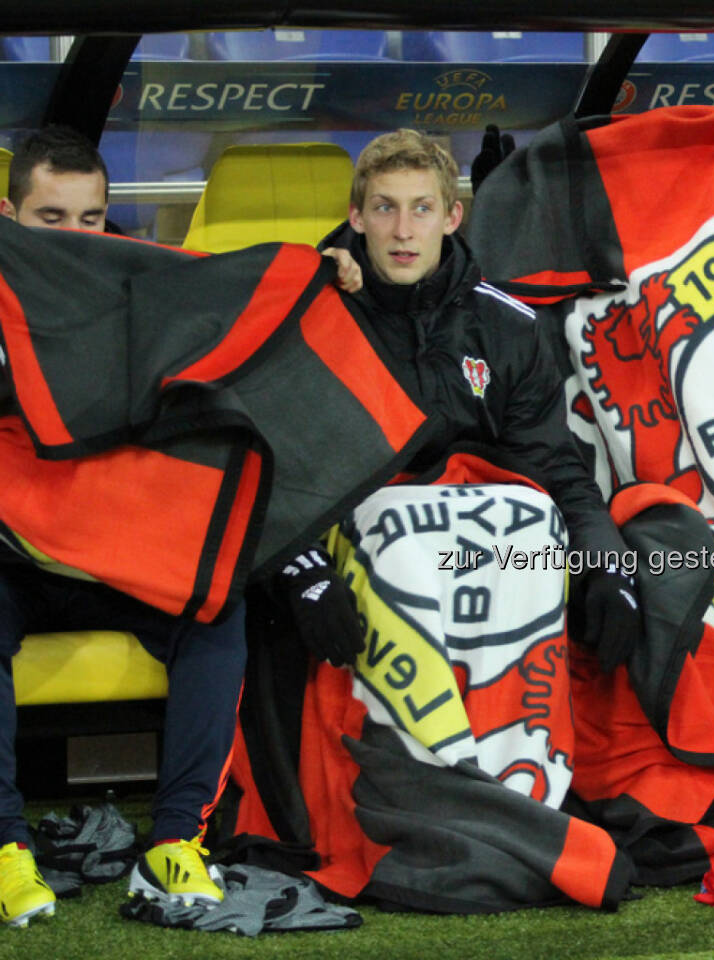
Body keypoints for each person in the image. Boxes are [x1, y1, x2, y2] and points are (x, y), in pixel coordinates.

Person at [277, 128, 639, 673]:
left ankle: (521, 744)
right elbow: (277, 472)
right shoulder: (313, 317)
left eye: (422, 209)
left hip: (483, 550)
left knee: (538, 523)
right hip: (368, 549)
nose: (403, 231)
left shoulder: (509, 327)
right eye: (384, 208)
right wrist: (302, 572)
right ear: (356, 217)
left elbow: (556, 468)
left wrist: (607, 565)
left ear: (452, 218)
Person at [0, 126, 245, 926]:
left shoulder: (149, 299)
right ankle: (6, 849)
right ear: (7, 216)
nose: (75, 242)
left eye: (91, 221)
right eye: (51, 220)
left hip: (112, 558)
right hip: (14, 561)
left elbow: (252, 314)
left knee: (219, 605)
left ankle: (176, 843)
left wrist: (333, 265)